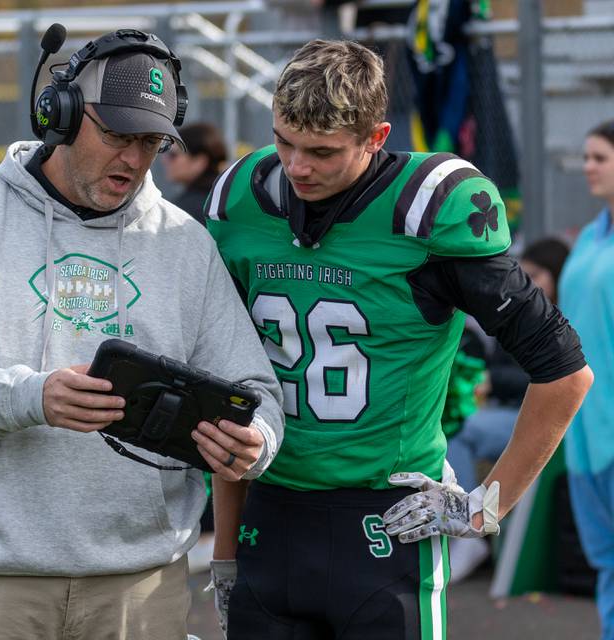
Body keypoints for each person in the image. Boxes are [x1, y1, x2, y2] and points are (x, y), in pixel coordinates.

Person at [0, 29, 284, 640]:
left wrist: (254, 439)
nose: (133, 158)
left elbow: (256, 390)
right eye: (117, 135)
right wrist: (30, 396)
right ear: (63, 114)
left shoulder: (185, 244)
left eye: (150, 141)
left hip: (140, 586)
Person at [205, 39, 593, 639]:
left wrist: (484, 507)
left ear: (376, 137)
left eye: (322, 151)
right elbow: (230, 386)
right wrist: (225, 553)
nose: (297, 166)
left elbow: (566, 371)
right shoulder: (242, 202)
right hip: (271, 511)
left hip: (388, 521)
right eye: (283, 141)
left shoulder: (426, 210)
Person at [447, 236, 570, 582]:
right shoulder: (520, 311)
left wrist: (492, 379)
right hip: (505, 413)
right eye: (523, 274)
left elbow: (559, 377)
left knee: (462, 428)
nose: (528, 282)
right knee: (455, 428)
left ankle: (469, 526)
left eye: (535, 274)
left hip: (542, 420)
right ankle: (464, 527)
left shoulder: (562, 319)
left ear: (556, 276)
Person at [559, 118, 614, 640]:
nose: (588, 167)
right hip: (584, 439)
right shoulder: (592, 238)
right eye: (587, 156)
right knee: (608, 567)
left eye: (599, 157)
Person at [162, 121, 227, 225]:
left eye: (173, 155)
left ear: (199, 162)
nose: (165, 160)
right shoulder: (230, 198)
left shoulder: (186, 210)